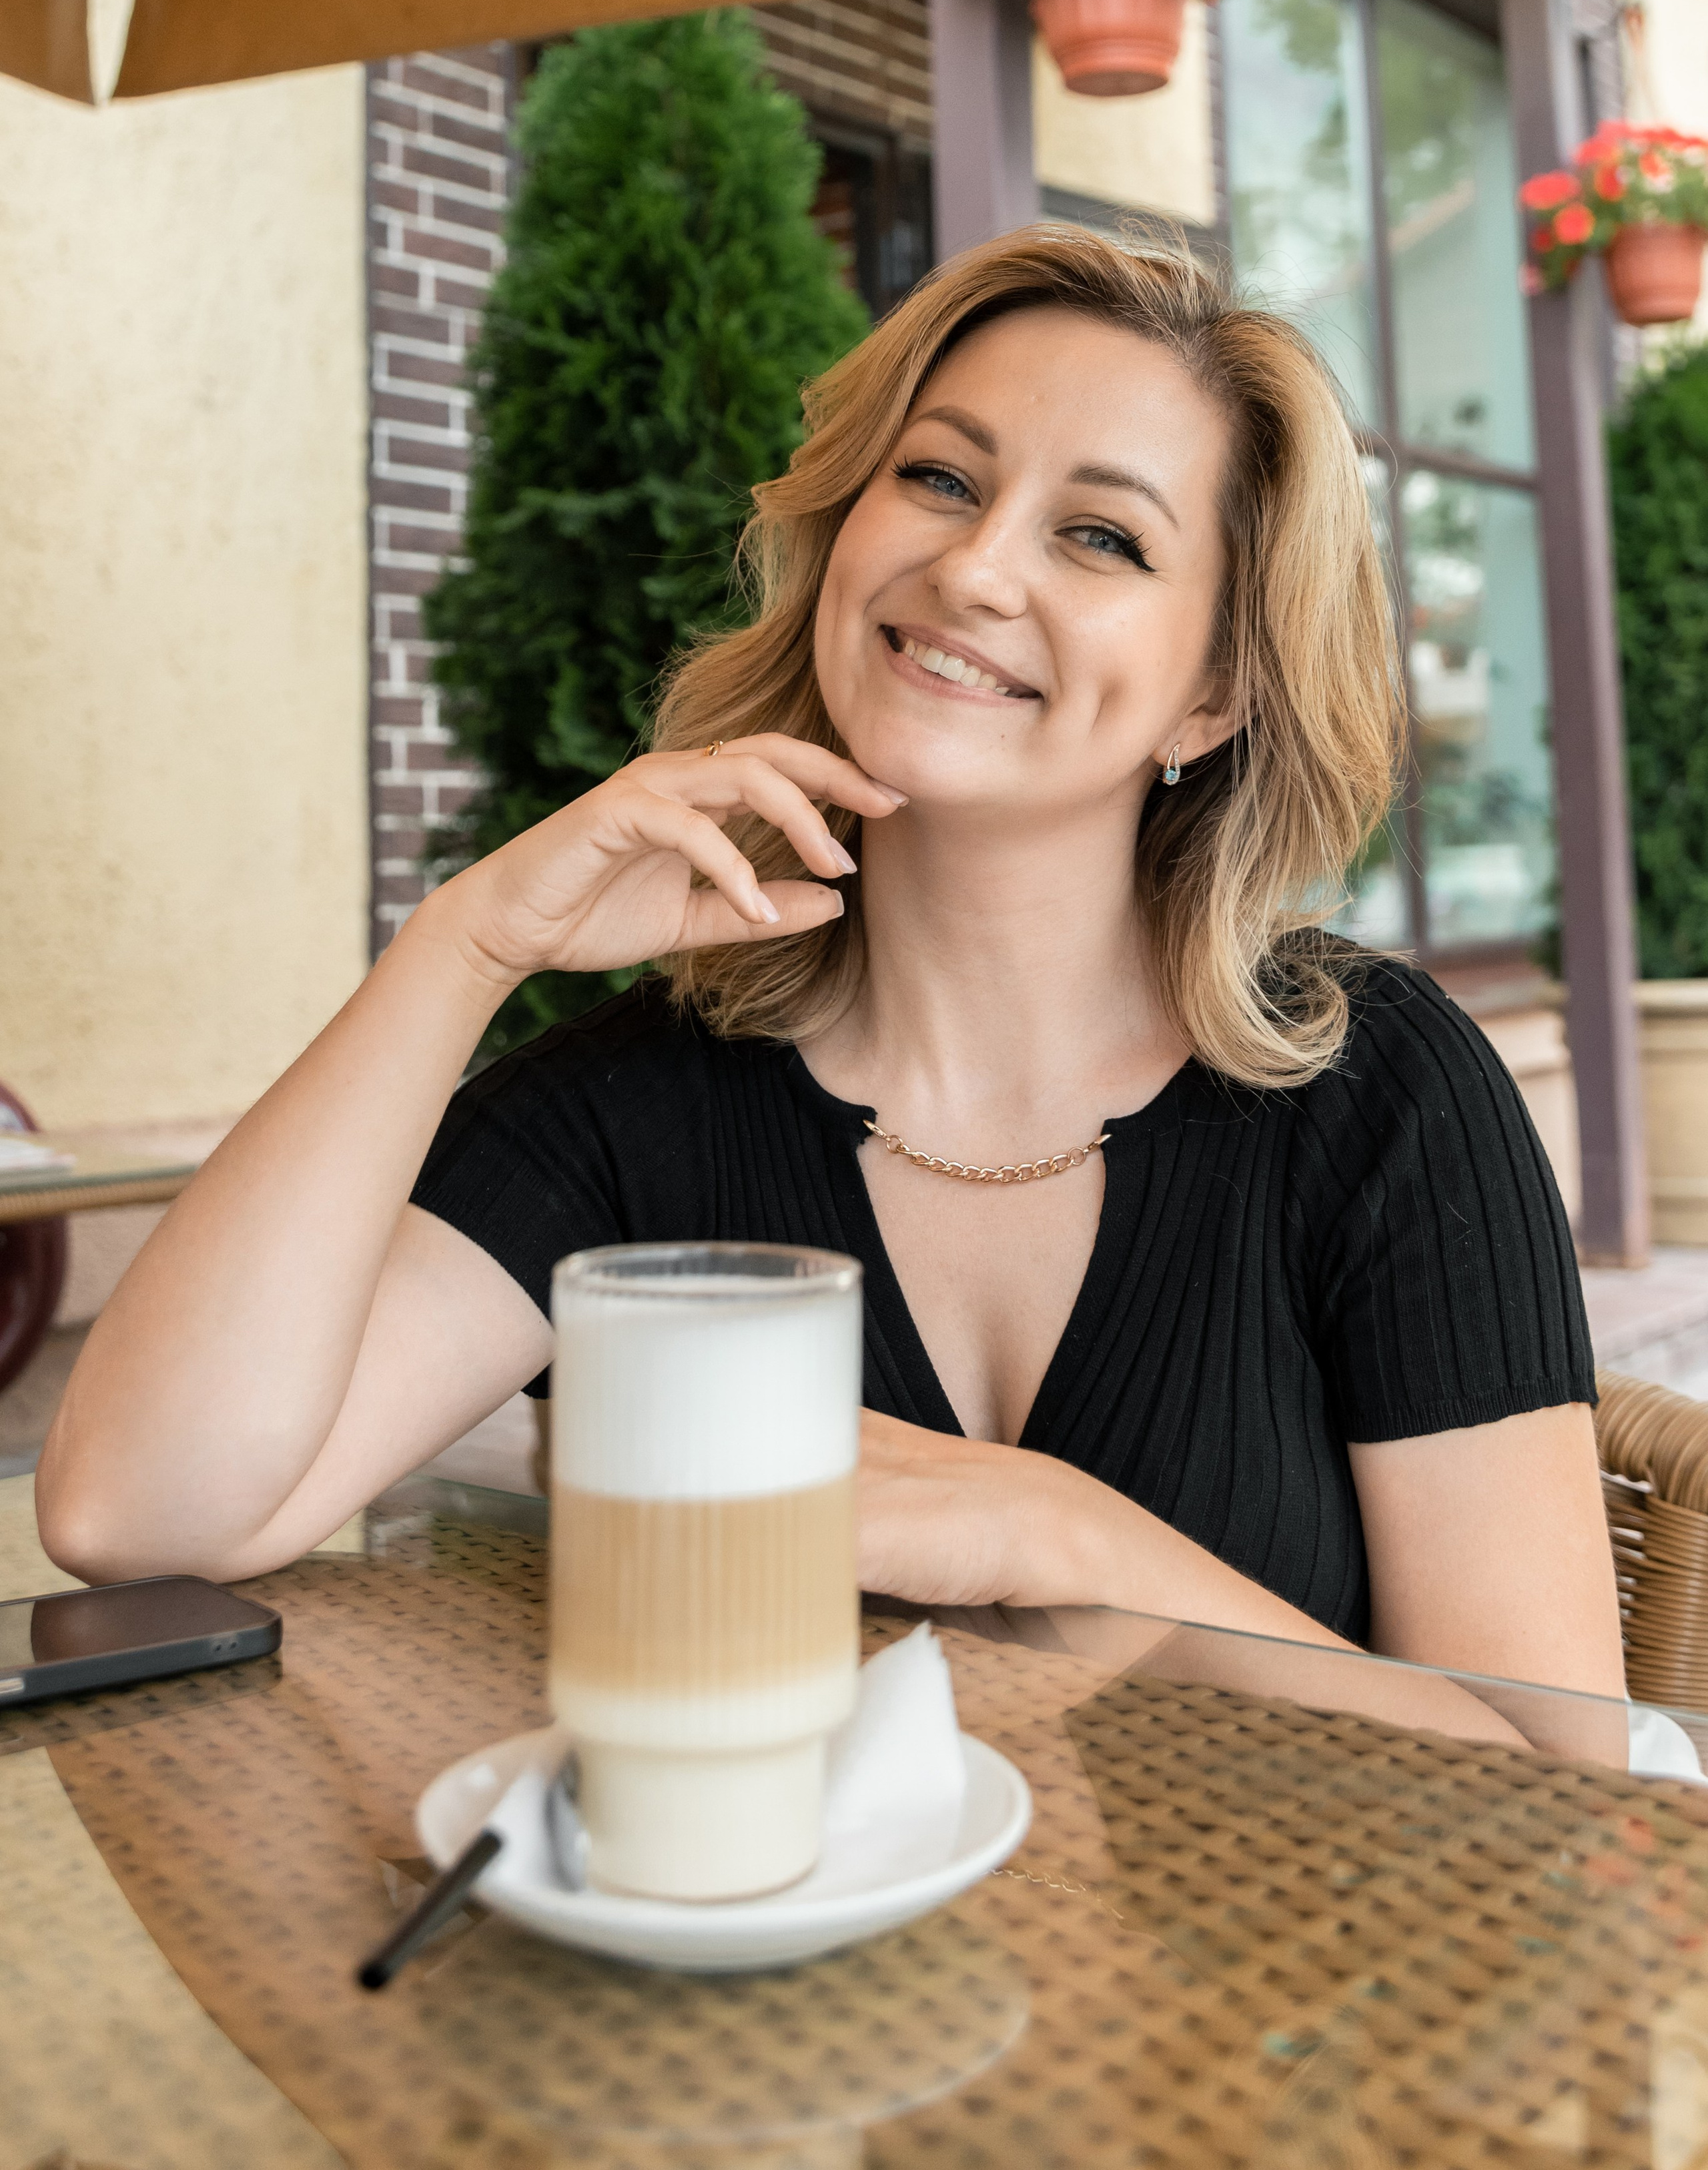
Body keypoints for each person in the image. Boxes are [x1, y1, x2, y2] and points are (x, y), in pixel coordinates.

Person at [37, 228, 1623, 1698]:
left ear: (1209, 695)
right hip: (791, 2002)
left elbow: (1561, 1793)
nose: (978, 569)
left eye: (1097, 534)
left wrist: (1051, 1538)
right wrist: (470, 944)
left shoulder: (1377, 1088)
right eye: (938, 478)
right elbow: (138, 1509)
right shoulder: (630, 1112)